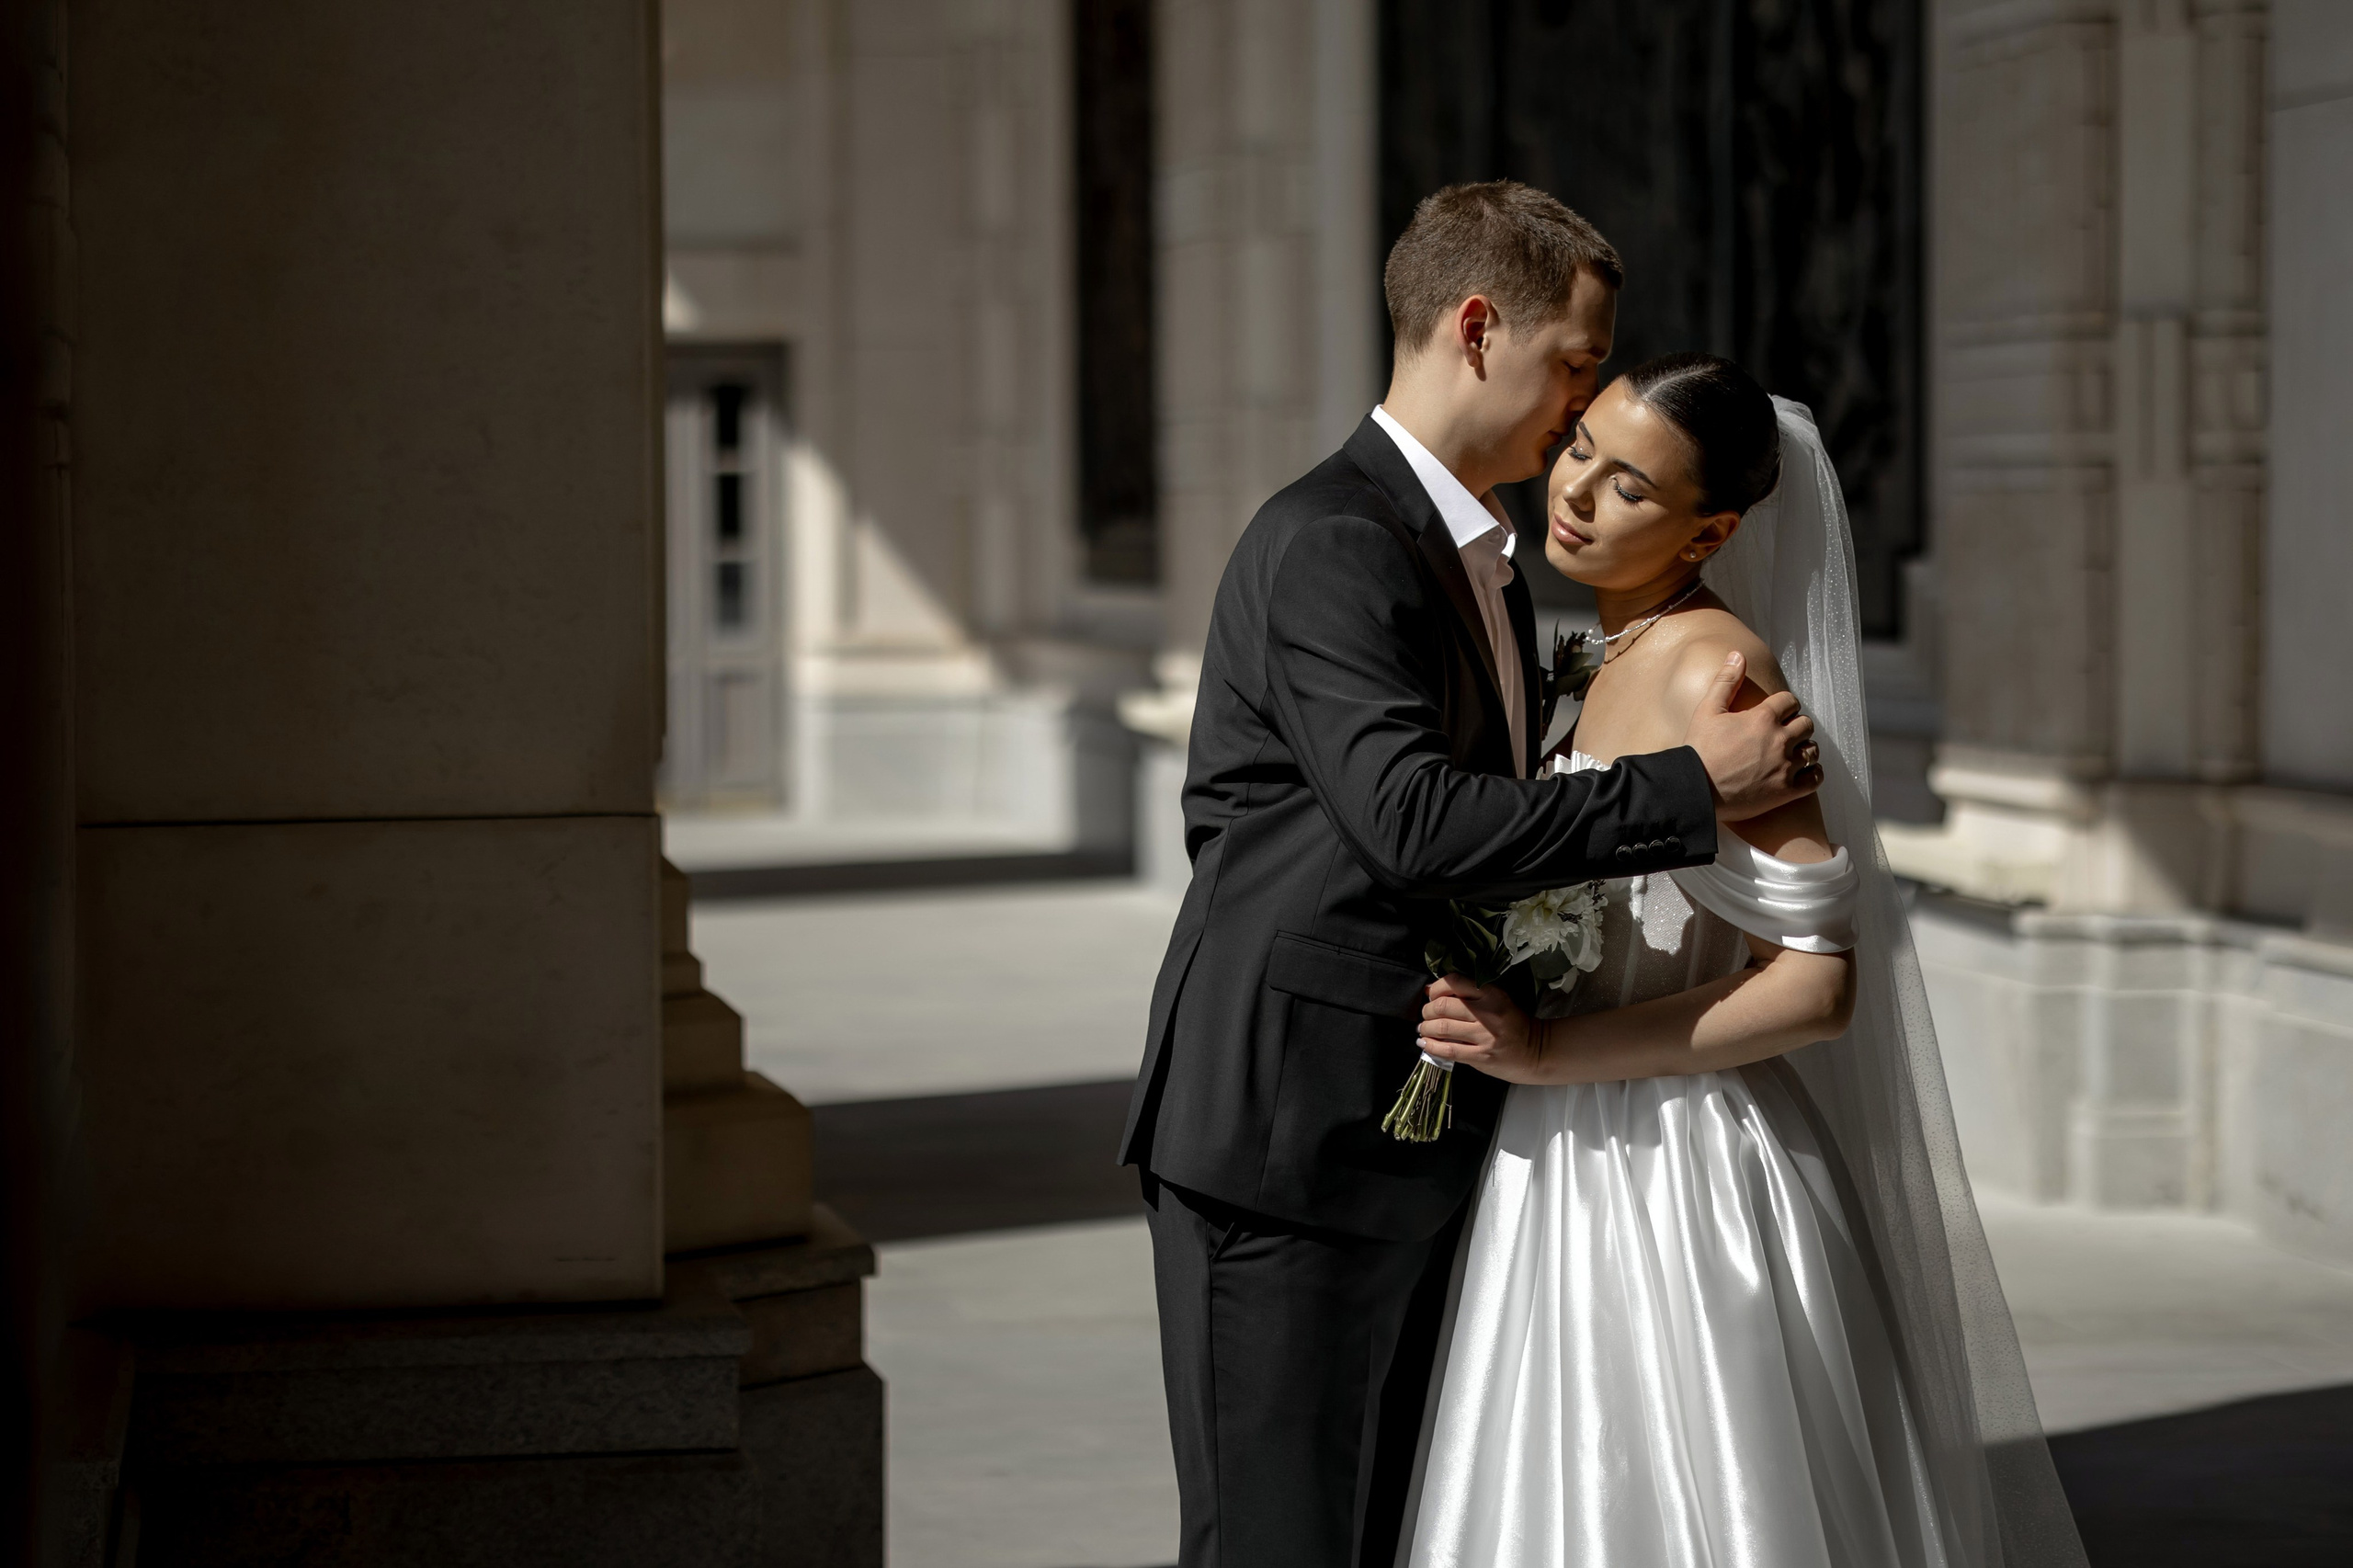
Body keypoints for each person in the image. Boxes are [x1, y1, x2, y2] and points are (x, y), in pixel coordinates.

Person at [1119, 182, 1824, 1568]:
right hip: (1282, 1143)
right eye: (1573, 363)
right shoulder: (1333, 539)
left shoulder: (1489, 568)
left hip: (1425, 1129)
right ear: (1478, 326)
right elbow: (1415, 823)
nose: (1579, 412)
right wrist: (1698, 790)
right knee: (1276, 1541)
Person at [1395, 357, 2086, 1566]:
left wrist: (1553, 1048)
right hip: (1558, 1155)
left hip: (1684, 1172)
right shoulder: (1593, 655)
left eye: (1631, 488)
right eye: (1580, 454)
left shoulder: (1723, 676)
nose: (1579, 495)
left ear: (1710, 529)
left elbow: (1817, 983)